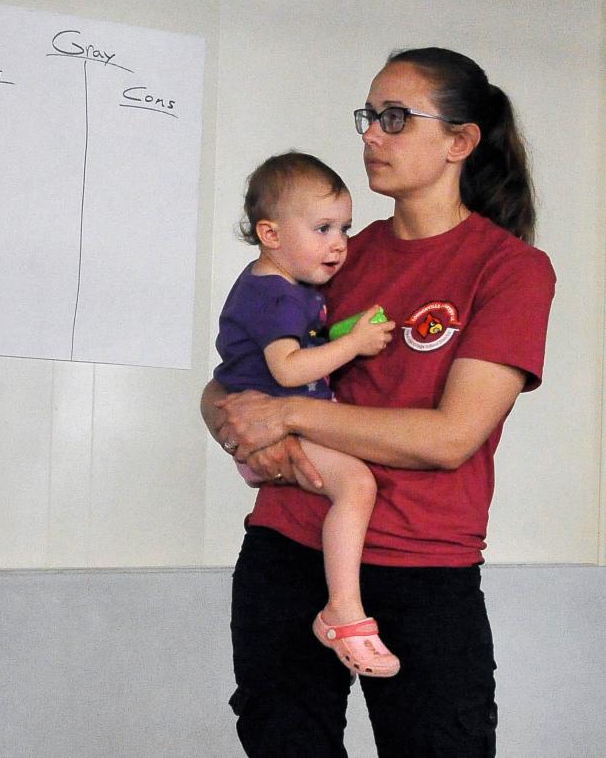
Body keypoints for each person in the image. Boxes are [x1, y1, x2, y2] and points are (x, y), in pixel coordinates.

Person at [202, 47, 555, 757]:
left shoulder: (510, 270)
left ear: (459, 142)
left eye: (395, 118)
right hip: (289, 548)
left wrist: (290, 414)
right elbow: (233, 383)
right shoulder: (333, 254)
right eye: (369, 116)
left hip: (420, 568)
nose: (370, 135)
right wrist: (233, 423)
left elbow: (450, 437)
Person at [214, 151, 398, 678]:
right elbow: (290, 369)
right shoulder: (275, 296)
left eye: (343, 226)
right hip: (272, 432)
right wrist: (357, 343)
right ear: (270, 234)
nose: (338, 242)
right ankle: (343, 610)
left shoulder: (286, 289)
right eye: (321, 228)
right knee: (357, 485)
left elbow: (301, 346)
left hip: (275, 430)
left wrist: (342, 334)